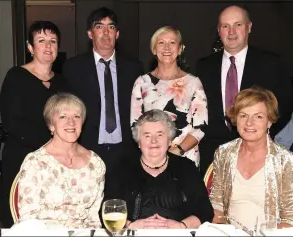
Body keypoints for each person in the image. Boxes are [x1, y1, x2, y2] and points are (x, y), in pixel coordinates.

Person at [195, 5, 293, 177]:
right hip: (213, 159)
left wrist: (260, 136)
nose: (231, 32)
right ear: (219, 30)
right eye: (225, 26)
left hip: (258, 156)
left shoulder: (271, 64)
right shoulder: (203, 67)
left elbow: (284, 106)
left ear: (249, 27)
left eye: (238, 25)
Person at [63, 7, 143, 180]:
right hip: (87, 149)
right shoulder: (73, 68)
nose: (106, 32)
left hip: (126, 150)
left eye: (111, 27)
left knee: (123, 204)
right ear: (90, 33)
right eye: (99, 26)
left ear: (117, 34)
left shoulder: (134, 68)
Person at [0, 20, 64, 227]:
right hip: (21, 160)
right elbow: (12, 122)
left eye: (53, 41)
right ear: (30, 47)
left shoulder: (64, 82)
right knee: (21, 221)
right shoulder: (16, 76)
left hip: (56, 163)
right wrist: (49, 146)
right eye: (42, 41)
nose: (48, 46)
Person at [105, 109, 213, 229]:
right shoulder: (121, 169)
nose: (153, 141)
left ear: (170, 140)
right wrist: (130, 225)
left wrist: (181, 226)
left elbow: (205, 212)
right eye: (147, 136)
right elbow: (107, 210)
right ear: (139, 142)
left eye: (160, 135)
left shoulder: (187, 168)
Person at [210, 88, 293, 232]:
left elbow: (289, 218)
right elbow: (217, 206)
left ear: (269, 121)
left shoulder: (285, 160)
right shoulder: (223, 153)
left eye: (258, 116)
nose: (249, 123)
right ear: (236, 119)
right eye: (243, 116)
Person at [17, 93, 106, 229]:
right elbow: (28, 219)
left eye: (77, 116)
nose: (71, 122)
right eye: (63, 116)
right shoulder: (35, 162)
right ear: (51, 125)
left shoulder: (95, 163)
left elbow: (94, 217)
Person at [131, 26, 207, 167]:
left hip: (186, 157)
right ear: (154, 49)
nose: (167, 47)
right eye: (161, 43)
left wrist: (176, 151)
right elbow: (135, 126)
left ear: (179, 49)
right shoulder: (141, 83)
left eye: (172, 42)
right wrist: (156, 154)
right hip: (152, 159)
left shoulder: (193, 83)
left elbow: (200, 128)